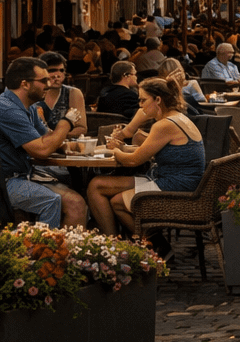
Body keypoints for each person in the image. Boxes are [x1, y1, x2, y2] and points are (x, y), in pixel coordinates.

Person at [0, 57, 87, 226]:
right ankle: (41, 248)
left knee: (76, 200)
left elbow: (46, 138)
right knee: (51, 201)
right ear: (25, 84)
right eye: (43, 80)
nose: (49, 84)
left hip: (21, 175)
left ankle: (66, 247)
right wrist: (66, 122)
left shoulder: (29, 107)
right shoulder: (7, 109)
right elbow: (42, 150)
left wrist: (63, 146)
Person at [86, 78, 204, 240]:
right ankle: (114, 243)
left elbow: (134, 160)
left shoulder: (164, 125)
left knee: (117, 202)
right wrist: (121, 148)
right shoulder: (176, 118)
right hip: (177, 181)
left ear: (158, 100)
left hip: (176, 186)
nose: (140, 105)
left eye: (143, 100)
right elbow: (145, 151)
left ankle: (152, 243)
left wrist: (114, 150)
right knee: (97, 185)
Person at [38, 52, 87, 127]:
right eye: (52, 70)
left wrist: (57, 136)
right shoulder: (33, 92)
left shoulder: (73, 93)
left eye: (61, 70)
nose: (57, 75)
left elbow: (81, 127)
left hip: (66, 138)